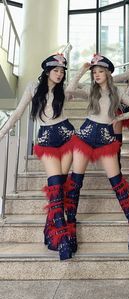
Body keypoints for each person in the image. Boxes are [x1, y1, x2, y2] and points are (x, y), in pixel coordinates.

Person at [0, 54, 75, 261]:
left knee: (61, 186)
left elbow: (79, 90)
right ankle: (63, 237)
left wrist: (85, 71)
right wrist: (2, 132)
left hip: (68, 136)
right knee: (55, 187)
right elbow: (17, 113)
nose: (59, 74)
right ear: (47, 71)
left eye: (62, 71)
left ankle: (48, 230)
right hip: (47, 139)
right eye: (56, 71)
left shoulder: (62, 90)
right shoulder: (33, 87)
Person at [65, 54, 129, 253]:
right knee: (75, 183)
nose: (97, 75)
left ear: (108, 73)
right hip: (85, 136)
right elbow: (70, 90)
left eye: (100, 71)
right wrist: (82, 70)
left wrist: (121, 117)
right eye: (94, 72)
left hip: (107, 140)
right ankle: (70, 227)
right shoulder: (91, 90)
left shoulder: (117, 91)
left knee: (117, 183)